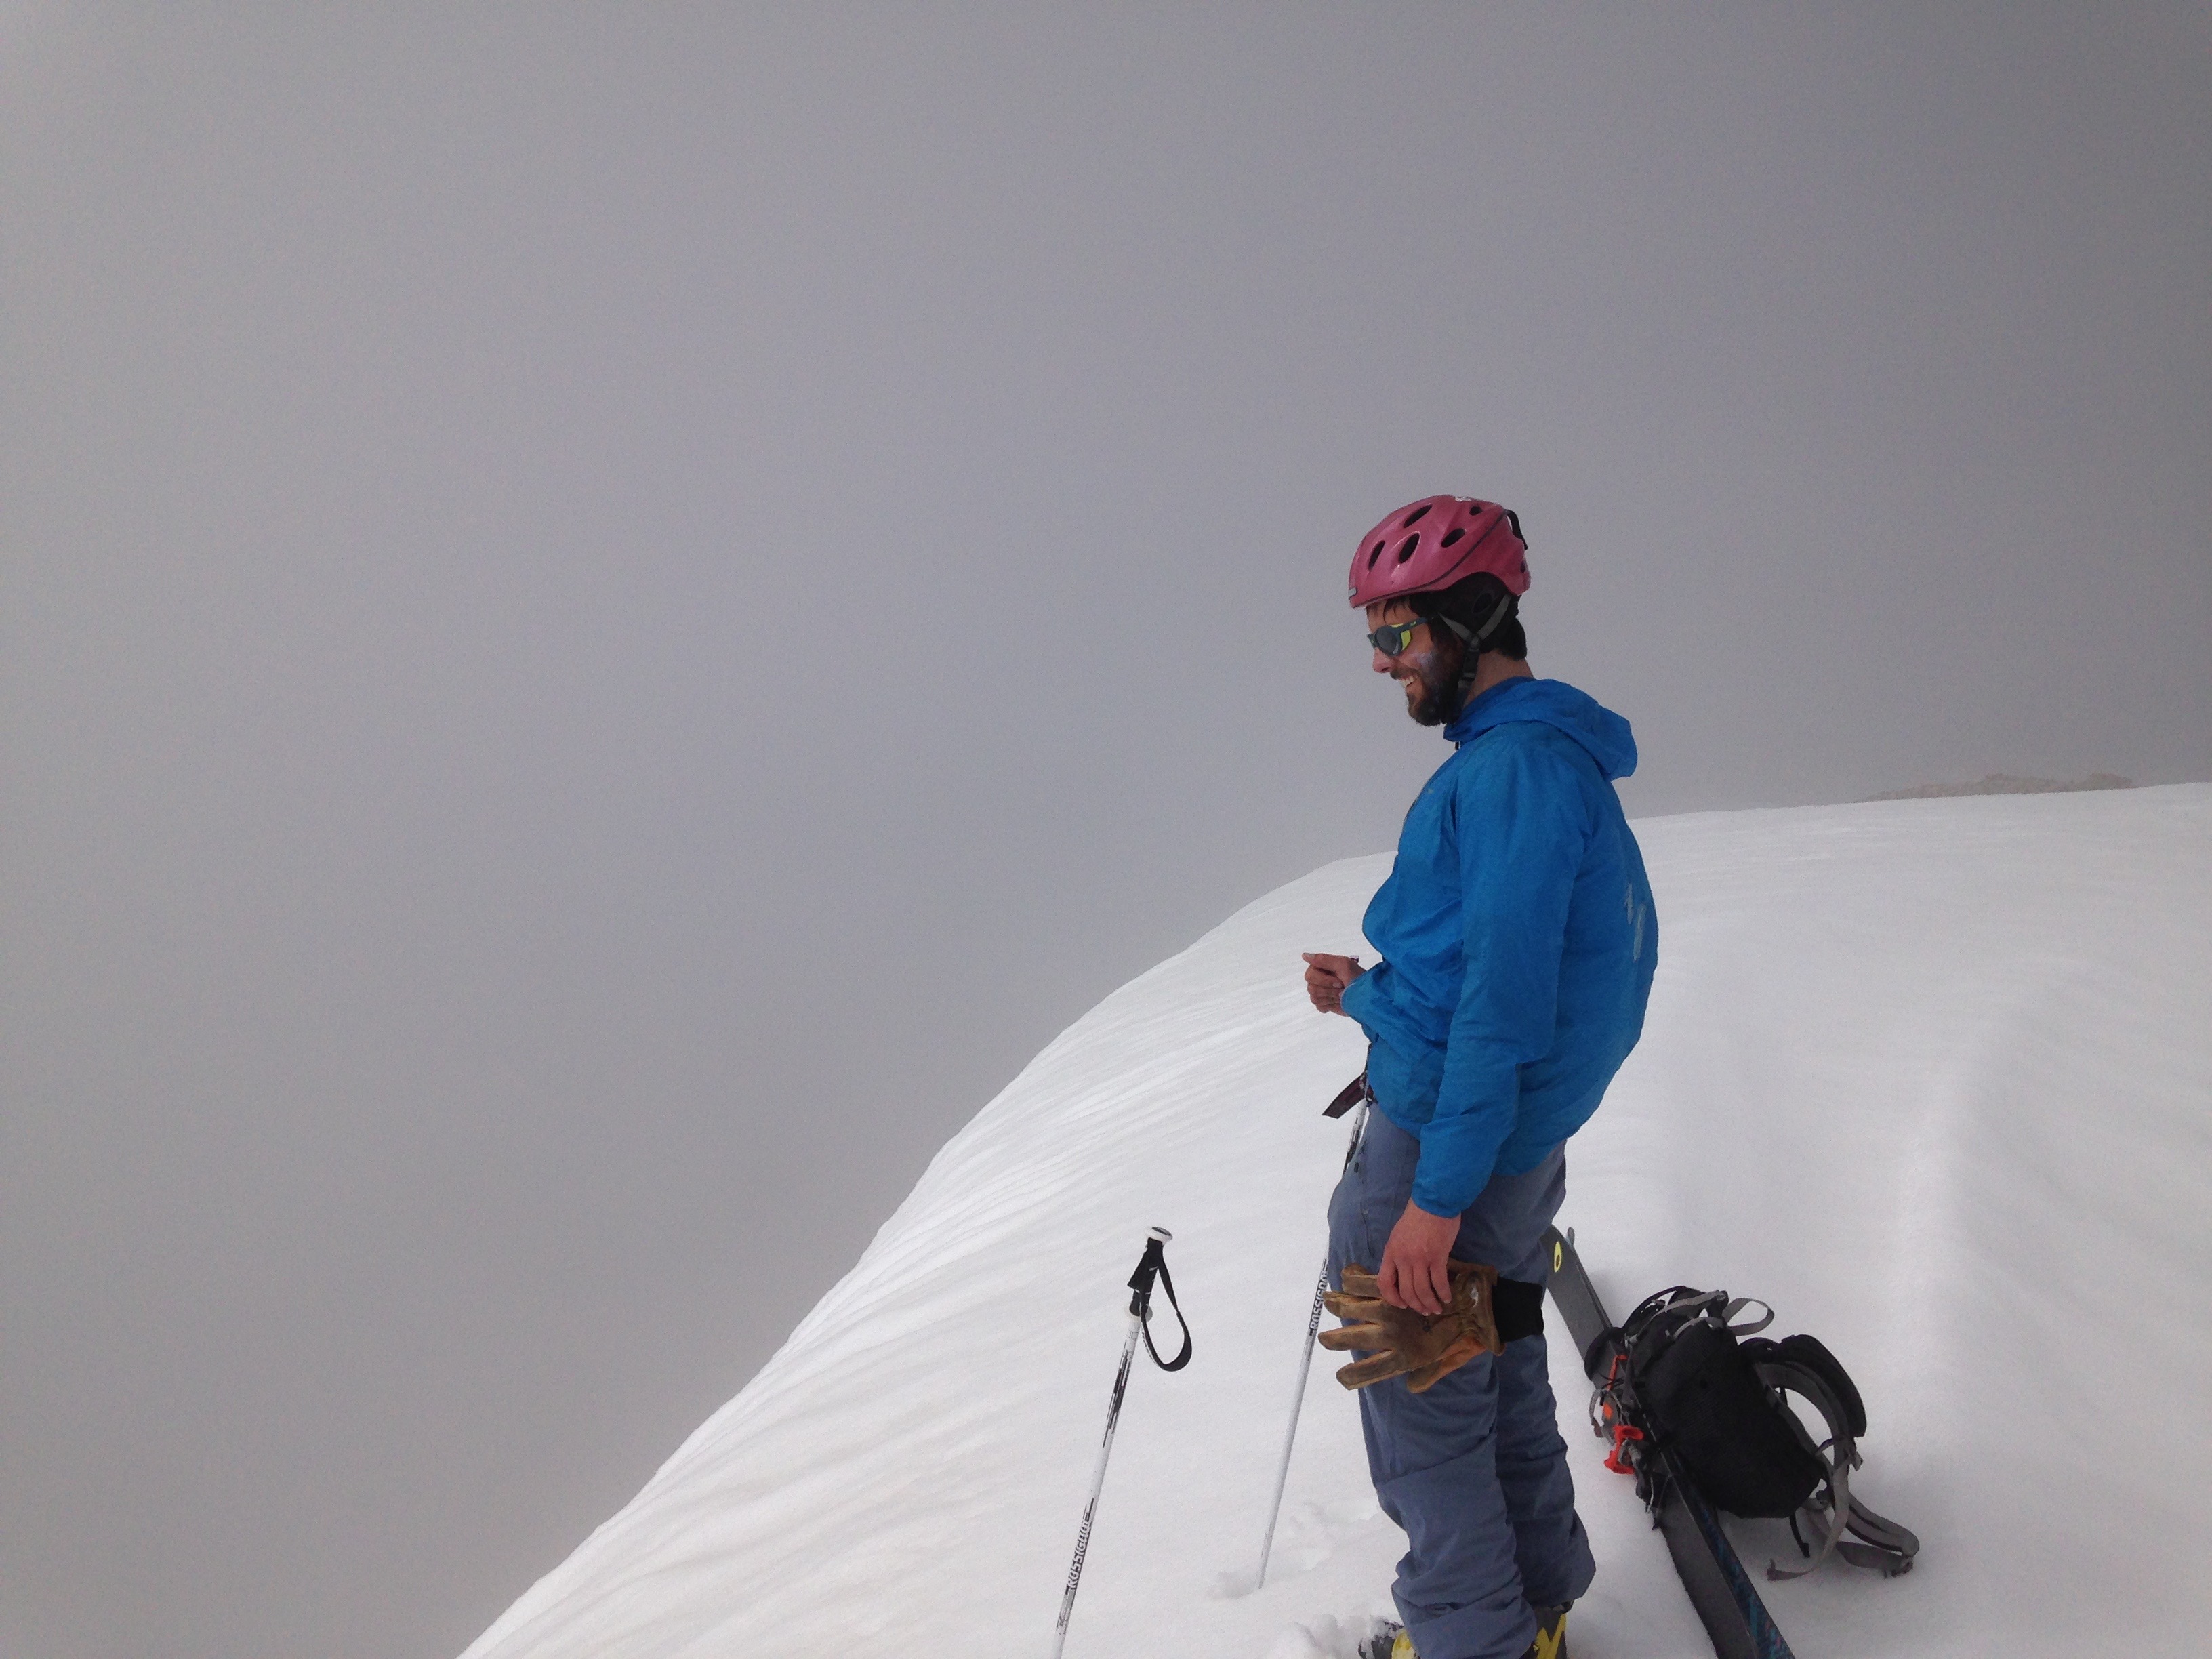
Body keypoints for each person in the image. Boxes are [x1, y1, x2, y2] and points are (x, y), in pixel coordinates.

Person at [1302, 495, 1657, 1659]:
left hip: (1443, 1159)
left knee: (1426, 1419)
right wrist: (1367, 994)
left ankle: (1471, 1644)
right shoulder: (1550, 762)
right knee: (1492, 1370)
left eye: (1397, 633)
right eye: (1374, 636)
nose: (1381, 661)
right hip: (1505, 1150)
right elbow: (1499, 976)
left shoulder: (1508, 775)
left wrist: (1435, 1200)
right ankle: (1532, 1612)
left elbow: (1502, 1007)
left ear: (1470, 621)